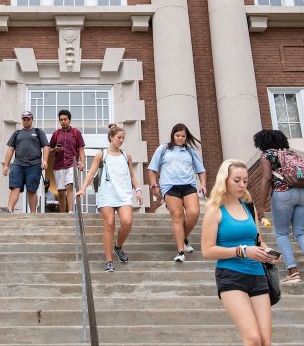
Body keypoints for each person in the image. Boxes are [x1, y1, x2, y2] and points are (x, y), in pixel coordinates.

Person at [200, 158, 277, 346]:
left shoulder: (249, 208)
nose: (243, 184)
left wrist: (265, 250)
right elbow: (208, 250)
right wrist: (242, 251)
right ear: (225, 180)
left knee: (266, 342)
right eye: (237, 180)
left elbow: (257, 238)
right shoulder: (214, 211)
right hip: (231, 276)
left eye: (245, 180)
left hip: (258, 276)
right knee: (253, 339)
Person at [254, 128, 304, 294]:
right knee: (301, 232)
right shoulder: (292, 154)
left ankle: (293, 272)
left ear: (262, 142)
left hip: (284, 193)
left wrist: (261, 205)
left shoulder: (267, 155)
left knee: (281, 233)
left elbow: (266, 178)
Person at [76, 123, 142, 271]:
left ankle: (118, 247)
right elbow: (91, 172)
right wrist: (83, 188)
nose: (121, 140)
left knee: (127, 222)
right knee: (109, 223)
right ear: (111, 138)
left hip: (123, 194)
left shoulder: (126, 155)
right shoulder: (102, 154)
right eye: (119, 137)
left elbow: (132, 175)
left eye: (123, 138)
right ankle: (108, 261)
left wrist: (137, 189)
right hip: (106, 194)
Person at [147, 123, 207, 262]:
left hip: (188, 185)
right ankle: (180, 252)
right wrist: (154, 185)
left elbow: (201, 170)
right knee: (178, 215)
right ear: (173, 135)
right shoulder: (163, 149)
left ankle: (183, 236)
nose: (180, 138)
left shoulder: (190, 151)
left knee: (194, 213)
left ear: (186, 137)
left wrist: (203, 184)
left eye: (183, 136)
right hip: (170, 186)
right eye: (178, 135)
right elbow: (152, 169)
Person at [0, 110, 49, 213]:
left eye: (28, 119)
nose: (26, 121)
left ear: (32, 119)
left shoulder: (38, 132)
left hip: (34, 165)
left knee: (31, 190)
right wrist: (5, 165)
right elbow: (10, 149)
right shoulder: (17, 133)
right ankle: (9, 210)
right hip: (18, 164)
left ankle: (32, 213)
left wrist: (44, 161)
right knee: (15, 187)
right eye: (24, 119)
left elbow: (45, 147)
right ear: (21, 120)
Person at [49, 109, 85, 213]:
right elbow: (49, 150)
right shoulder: (56, 134)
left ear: (69, 120)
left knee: (70, 186)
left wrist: (82, 162)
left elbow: (81, 148)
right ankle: (62, 214)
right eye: (61, 120)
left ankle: (70, 212)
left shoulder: (76, 133)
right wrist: (55, 150)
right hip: (58, 165)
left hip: (71, 164)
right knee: (60, 191)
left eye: (65, 119)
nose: (63, 121)